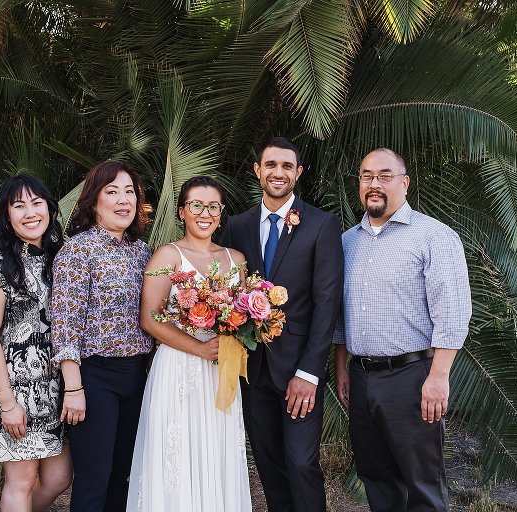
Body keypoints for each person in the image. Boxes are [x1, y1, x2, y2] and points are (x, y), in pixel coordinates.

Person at [333, 148, 472, 512]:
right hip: (361, 379)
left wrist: (438, 376)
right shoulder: (347, 242)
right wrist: (342, 368)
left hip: (412, 378)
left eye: (384, 175)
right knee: (376, 479)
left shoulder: (434, 237)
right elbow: (340, 315)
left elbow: (453, 312)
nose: (374, 184)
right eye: (366, 176)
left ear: (405, 183)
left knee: (422, 483)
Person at [221, 137, 344, 512]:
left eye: (287, 166)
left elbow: (327, 303)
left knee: (302, 462)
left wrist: (309, 372)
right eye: (271, 165)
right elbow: (225, 292)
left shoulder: (322, 225)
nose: (279, 173)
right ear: (258, 171)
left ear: (298, 173)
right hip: (252, 370)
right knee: (269, 465)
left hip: (298, 371)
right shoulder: (237, 226)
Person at [127, 176, 252, 511]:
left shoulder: (236, 259)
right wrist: (198, 348)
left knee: (217, 449)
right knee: (178, 452)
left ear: (221, 212)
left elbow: (241, 315)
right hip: (179, 368)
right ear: (182, 211)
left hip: (220, 370)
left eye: (213, 206)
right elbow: (150, 318)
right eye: (196, 204)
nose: (205, 212)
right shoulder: (167, 257)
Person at [50, 161, 154, 512]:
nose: (123, 200)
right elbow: (65, 324)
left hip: (136, 376)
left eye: (130, 192)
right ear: (93, 201)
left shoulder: (143, 251)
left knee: (122, 476)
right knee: (95, 477)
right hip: (94, 379)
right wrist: (74, 388)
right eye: (112, 192)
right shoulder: (77, 251)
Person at [0, 174, 72, 511]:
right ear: (7, 216)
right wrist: (6, 402)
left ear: (49, 208)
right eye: (19, 206)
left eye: (36, 203)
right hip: (17, 388)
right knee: (21, 481)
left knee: (59, 478)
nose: (30, 212)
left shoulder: (61, 256)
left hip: (57, 388)